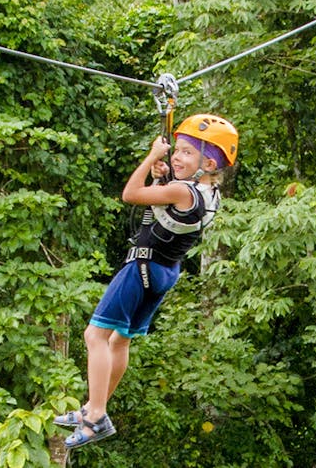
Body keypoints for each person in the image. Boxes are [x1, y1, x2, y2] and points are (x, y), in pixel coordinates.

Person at [54, 114, 239, 449]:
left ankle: (95, 415)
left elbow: (130, 194)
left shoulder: (182, 191)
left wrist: (152, 157)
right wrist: (161, 181)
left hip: (141, 267)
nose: (176, 158)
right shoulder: (208, 195)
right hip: (164, 273)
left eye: (185, 153)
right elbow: (162, 213)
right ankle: (95, 409)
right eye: (175, 151)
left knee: (95, 335)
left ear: (209, 162)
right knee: (119, 342)